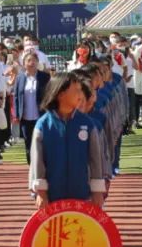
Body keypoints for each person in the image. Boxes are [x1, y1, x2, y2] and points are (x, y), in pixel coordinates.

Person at [28, 73, 107, 209]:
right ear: (60, 94)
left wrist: (97, 191)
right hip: (52, 198)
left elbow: (96, 159)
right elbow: (37, 162)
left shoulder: (87, 124)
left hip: (82, 195)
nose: (80, 94)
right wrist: (41, 192)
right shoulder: (43, 125)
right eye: (76, 89)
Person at [14, 51, 51, 164]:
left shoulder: (44, 77)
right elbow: (16, 96)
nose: (31, 63)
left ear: (38, 62)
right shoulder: (20, 77)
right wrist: (16, 114)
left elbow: (50, 95)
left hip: (40, 116)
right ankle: (31, 166)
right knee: (28, 142)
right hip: (25, 117)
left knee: (42, 141)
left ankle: (43, 164)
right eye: (28, 61)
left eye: (34, 60)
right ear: (24, 63)